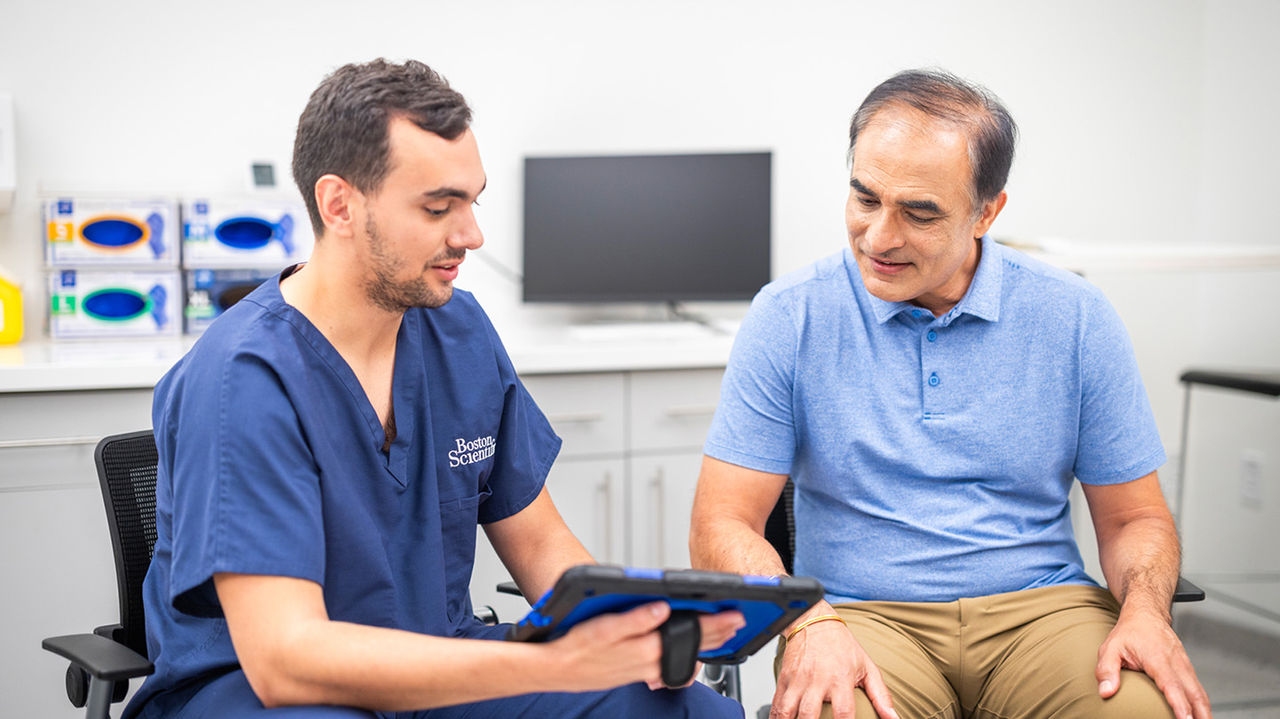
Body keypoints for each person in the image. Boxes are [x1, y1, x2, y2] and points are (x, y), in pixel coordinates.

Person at [124, 58, 746, 719]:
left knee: (682, 710)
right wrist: (552, 661)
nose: (470, 235)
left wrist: (622, 630)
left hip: (440, 662)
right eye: (438, 207)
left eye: (471, 201)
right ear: (339, 205)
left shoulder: (459, 331)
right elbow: (284, 657)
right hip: (267, 693)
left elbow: (536, 541)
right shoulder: (244, 378)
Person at [689, 68, 1212, 719]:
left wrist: (1143, 612)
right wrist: (808, 622)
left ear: (987, 212)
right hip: (862, 617)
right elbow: (721, 523)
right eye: (865, 197)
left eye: (920, 212)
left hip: (1043, 611)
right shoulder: (788, 316)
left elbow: (1136, 518)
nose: (879, 237)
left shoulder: (1075, 315)